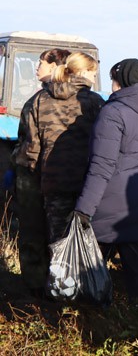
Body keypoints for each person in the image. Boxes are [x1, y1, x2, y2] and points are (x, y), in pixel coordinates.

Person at [74, 59, 138, 308]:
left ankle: (90, 324)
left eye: (114, 80)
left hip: (109, 205)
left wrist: (84, 209)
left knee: (90, 272)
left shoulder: (113, 112)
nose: (112, 85)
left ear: (121, 81)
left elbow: (101, 167)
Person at [18, 52, 104, 247]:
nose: (94, 78)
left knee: (57, 243)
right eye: (93, 73)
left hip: (53, 181)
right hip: (86, 184)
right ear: (82, 71)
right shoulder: (94, 102)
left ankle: (57, 277)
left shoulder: (40, 99)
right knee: (85, 244)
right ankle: (82, 277)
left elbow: (31, 148)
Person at [10, 48, 70, 297]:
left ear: (55, 66)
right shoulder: (88, 100)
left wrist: (17, 161)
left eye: (41, 63)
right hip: (71, 177)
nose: (36, 68)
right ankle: (64, 286)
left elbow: (29, 143)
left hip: (34, 175)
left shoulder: (37, 101)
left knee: (33, 230)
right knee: (62, 234)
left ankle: (35, 287)